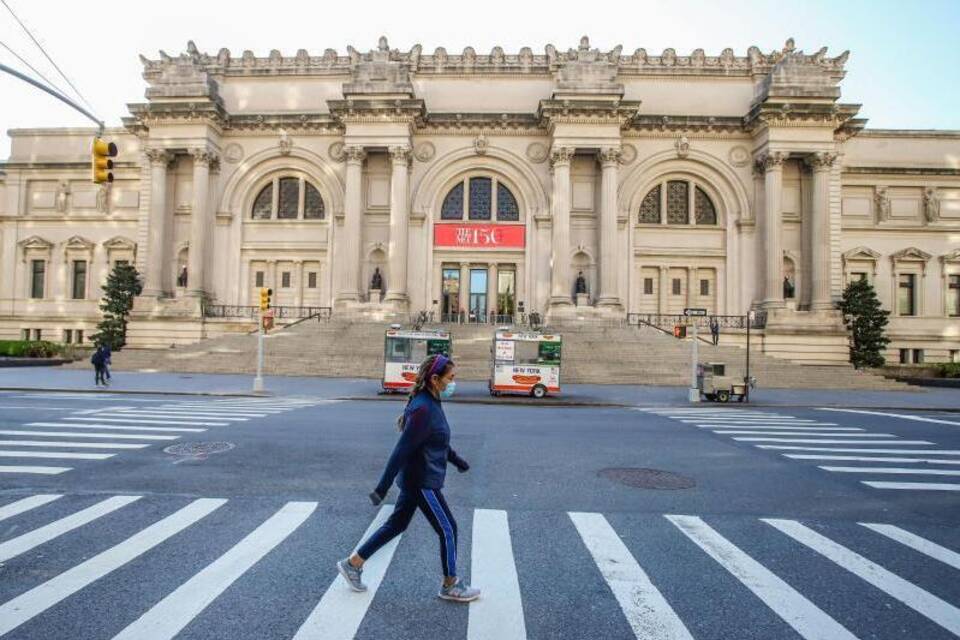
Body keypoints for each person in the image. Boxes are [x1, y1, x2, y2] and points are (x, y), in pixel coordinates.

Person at [337, 353, 480, 603]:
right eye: (451, 378)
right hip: (423, 481)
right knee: (448, 528)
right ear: (435, 379)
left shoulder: (431, 402)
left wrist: (457, 461)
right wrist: (382, 486)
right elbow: (402, 450)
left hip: (418, 478)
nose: (453, 383)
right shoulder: (424, 407)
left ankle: (353, 564)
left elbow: (437, 440)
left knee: (396, 524)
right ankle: (450, 585)